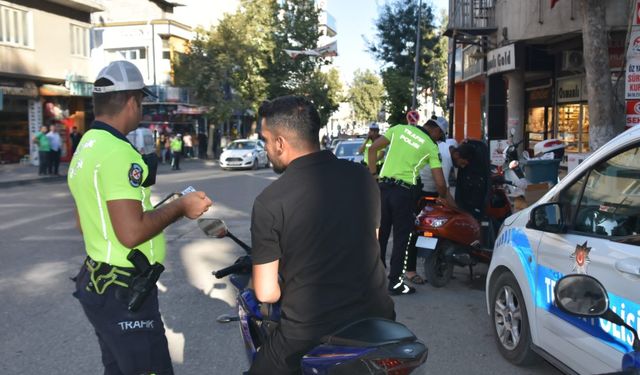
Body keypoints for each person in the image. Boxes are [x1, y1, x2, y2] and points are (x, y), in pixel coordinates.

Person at [67, 60, 213, 375]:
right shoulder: (118, 152)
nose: (142, 106)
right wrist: (180, 207)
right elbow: (131, 233)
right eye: (143, 100)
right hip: (123, 291)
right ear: (133, 101)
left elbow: (85, 222)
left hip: (98, 282)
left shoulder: (87, 146)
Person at [249, 95, 395, 374]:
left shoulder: (270, 201)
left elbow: (267, 292)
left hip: (310, 332)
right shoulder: (362, 177)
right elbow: (370, 242)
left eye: (266, 140)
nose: (266, 148)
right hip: (378, 319)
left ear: (280, 143)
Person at [367, 117, 455, 295]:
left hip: (383, 189)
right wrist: (443, 196)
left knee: (380, 236)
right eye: (440, 136)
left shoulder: (399, 129)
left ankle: (373, 280)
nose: (438, 139)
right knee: (402, 239)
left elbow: (373, 148)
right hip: (403, 194)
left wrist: (373, 174)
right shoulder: (431, 147)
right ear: (436, 130)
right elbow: (440, 182)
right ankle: (395, 284)